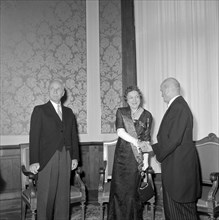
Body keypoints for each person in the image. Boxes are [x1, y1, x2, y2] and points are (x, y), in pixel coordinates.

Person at [144, 77, 201, 220]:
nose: (161, 94)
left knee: (182, 212)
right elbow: (172, 138)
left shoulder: (179, 107)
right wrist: (153, 147)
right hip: (176, 168)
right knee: (175, 212)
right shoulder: (178, 106)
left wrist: (154, 150)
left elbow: (173, 140)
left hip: (179, 169)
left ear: (169, 89)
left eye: (162, 90)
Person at [29, 79, 79, 220]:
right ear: (49, 91)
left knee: (63, 196)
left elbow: (73, 136)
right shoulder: (40, 110)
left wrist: (74, 157)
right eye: (53, 88)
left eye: (59, 89)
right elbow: (34, 137)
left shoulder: (69, 112)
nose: (56, 91)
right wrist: (34, 161)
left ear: (63, 93)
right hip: (47, 158)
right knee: (46, 196)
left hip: (66, 156)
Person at [107, 85, 153, 220]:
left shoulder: (147, 115)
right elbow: (120, 132)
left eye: (137, 97)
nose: (134, 100)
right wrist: (136, 142)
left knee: (133, 193)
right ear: (126, 99)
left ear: (140, 98)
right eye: (131, 97)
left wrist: (145, 162)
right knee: (119, 191)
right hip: (122, 158)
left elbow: (146, 140)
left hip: (136, 160)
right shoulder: (121, 112)